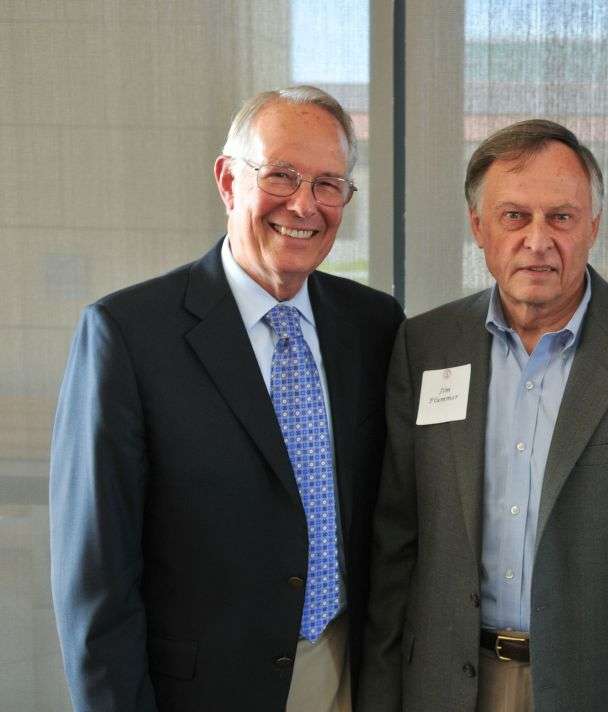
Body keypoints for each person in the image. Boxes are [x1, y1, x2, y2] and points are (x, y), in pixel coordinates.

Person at [49, 86, 403, 711]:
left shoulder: (374, 325)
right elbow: (95, 585)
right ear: (227, 180)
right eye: (282, 175)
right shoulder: (129, 335)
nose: (304, 203)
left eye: (328, 183)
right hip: (203, 692)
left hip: (350, 675)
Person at [358, 119, 608, 711]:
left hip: (595, 692)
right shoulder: (424, 347)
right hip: (445, 687)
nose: (537, 239)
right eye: (514, 216)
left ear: (593, 226)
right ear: (478, 225)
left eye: (562, 217)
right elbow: (396, 544)